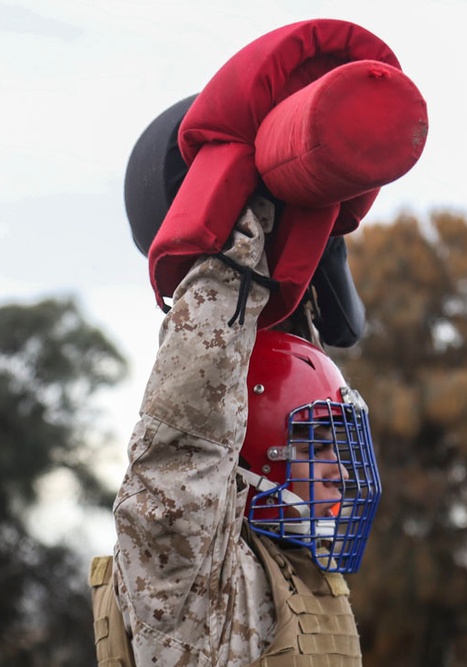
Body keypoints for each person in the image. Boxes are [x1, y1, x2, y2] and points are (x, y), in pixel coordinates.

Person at [90, 195, 381, 666]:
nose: (341, 475)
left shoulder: (301, 572)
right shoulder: (193, 583)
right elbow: (191, 428)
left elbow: (281, 359)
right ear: (255, 450)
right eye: (319, 445)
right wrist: (238, 227)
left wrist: (304, 233)